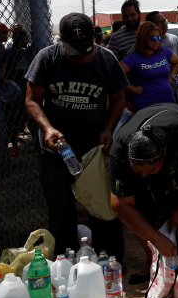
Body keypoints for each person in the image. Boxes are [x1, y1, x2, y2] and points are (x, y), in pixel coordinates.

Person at [25, 13, 128, 258]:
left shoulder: (106, 59)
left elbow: (118, 98)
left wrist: (109, 129)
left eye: (85, 49)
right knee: (60, 208)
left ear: (95, 38)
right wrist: (47, 128)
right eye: (74, 50)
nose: (81, 56)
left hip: (94, 148)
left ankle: (109, 257)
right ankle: (66, 259)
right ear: (62, 42)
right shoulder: (47, 58)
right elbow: (32, 100)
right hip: (56, 148)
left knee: (102, 205)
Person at [109, 103, 178, 282]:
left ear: (164, 154)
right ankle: (152, 260)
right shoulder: (119, 152)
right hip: (145, 130)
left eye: (149, 170)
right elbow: (120, 205)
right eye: (138, 170)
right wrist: (157, 240)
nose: (143, 174)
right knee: (142, 204)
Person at [120, 21, 178, 111]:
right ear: (143, 38)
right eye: (153, 38)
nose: (156, 40)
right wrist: (133, 89)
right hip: (145, 106)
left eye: (159, 37)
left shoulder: (164, 52)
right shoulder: (133, 57)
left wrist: (171, 76)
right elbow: (114, 76)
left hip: (169, 103)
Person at [146, 11, 178, 83]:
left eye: (164, 21)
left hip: (177, 86)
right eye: (159, 23)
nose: (163, 24)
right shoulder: (144, 44)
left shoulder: (174, 39)